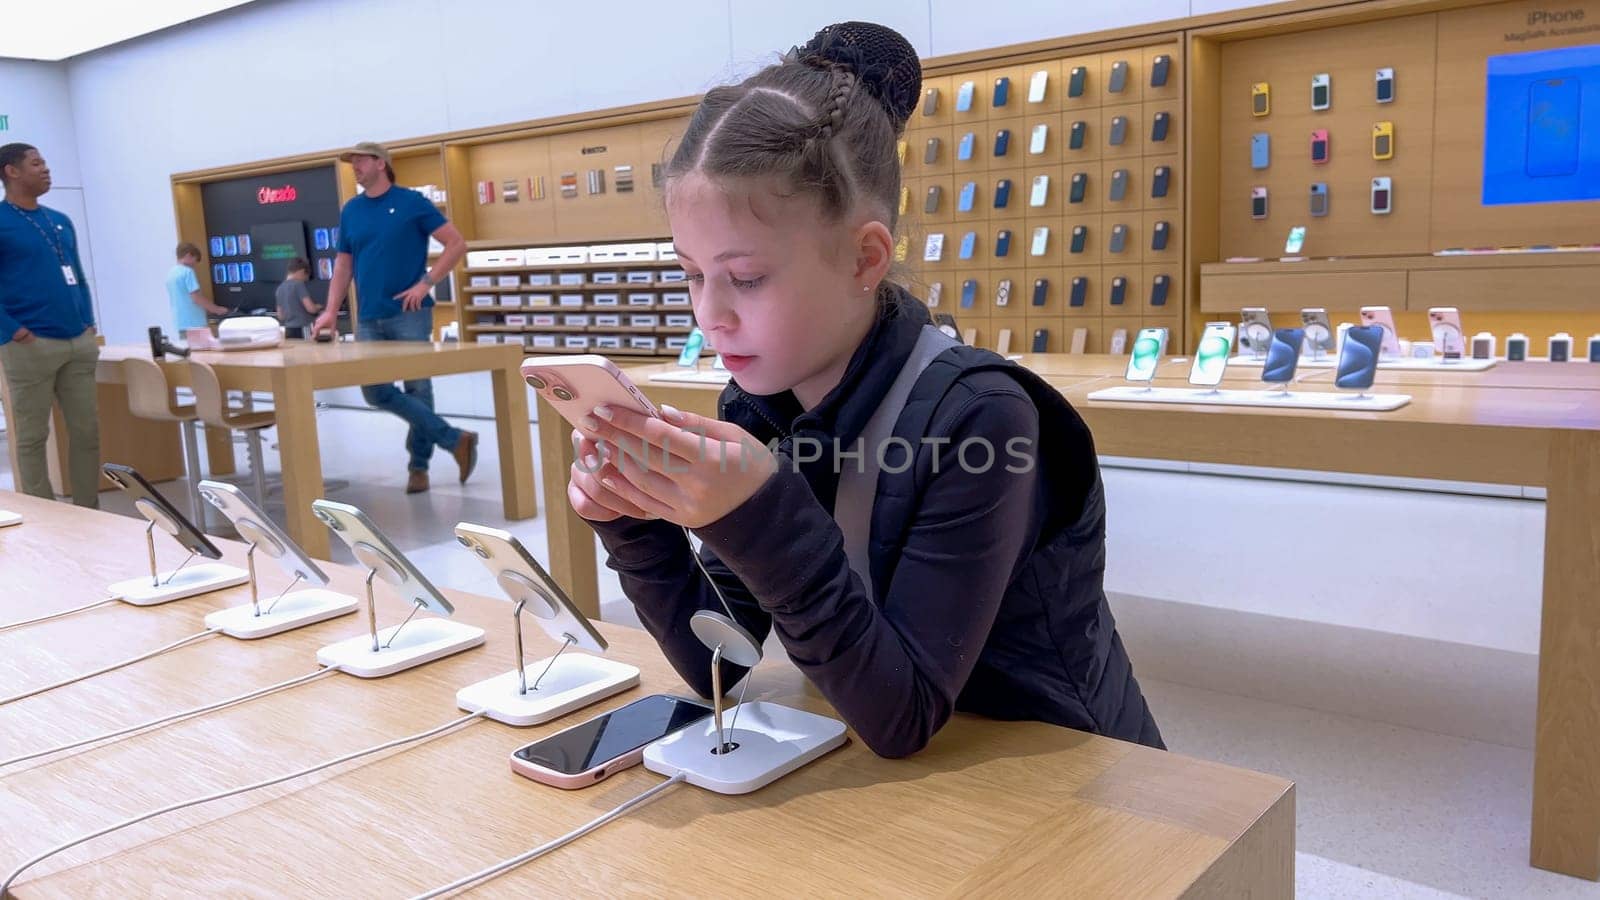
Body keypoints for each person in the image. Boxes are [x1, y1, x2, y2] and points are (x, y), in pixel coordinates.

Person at [567, 23, 1162, 758]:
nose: (709, 314)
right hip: (917, 791)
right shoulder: (758, 405)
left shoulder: (981, 418)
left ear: (864, 257)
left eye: (746, 278)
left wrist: (756, 510)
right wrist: (636, 522)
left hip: (1070, 777)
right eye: (692, 273)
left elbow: (902, 718)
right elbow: (721, 663)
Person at [311, 141, 475, 494]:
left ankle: (419, 468)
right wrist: (329, 310)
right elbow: (343, 264)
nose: (354, 166)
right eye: (351, 161)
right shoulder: (351, 210)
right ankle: (454, 439)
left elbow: (456, 244)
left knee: (418, 389)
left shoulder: (412, 203)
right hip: (369, 318)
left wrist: (426, 283)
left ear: (381, 163)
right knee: (374, 392)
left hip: (410, 314)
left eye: (360, 160)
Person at [0, 142, 101, 508]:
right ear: (11, 171)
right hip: (29, 344)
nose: (45, 169)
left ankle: (89, 510)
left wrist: (88, 322)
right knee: (31, 437)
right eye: (36, 163)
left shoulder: (59, 220)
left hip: (77, 341)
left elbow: (78, 275)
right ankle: (44, 517)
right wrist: (13, 330)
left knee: (87, 432)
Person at [165, 241, 227, 333]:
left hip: (180, 322)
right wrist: (216, 309)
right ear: (189, 255)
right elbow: (196, 298)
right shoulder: (187, 272)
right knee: (202, 347)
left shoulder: (171, 273)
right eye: (195, 260)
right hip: (194, 322)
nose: (195, 264)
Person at [274, 257, 320, 339]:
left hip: (288, 330)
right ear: (302, 271)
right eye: (306, 277)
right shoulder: (298, 285)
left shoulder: (279, 288)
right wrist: (318, 307)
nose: (305, 280)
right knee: (307, 350)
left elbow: (280, 315)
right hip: (303, 328)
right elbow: (310, 308)